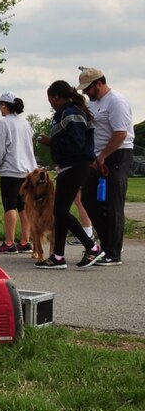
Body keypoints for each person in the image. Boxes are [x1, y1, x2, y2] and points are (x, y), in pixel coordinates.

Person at [35, 80, 103, 269]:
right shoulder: (67, 112)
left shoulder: (71, 113)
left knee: (60, 212)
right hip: (69, 166)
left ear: (56, 97)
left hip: (76, 166)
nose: (51, 104)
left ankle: (92, 247)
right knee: (60, 212)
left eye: (51, 100)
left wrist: (52, 142)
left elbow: (77, 144)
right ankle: (58, 256)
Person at [79, 67, 135, 267]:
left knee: (113, 203)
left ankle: (113, 252)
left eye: (88, 89)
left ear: (99, 84)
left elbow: (120, 134)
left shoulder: (116, 101)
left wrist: (103, 156)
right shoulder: (94, 104)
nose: (85, 93)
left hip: (117, 153)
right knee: (88, 199)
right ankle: (106, 243)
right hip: (98, 157)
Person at [0, 92, 37, 255]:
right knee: (23, 206)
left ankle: (9, 242)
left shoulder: (3, 124)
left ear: (4, 105)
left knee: (9, 205)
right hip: (28, 170)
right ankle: (25, 241)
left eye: (0, 106)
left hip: (11, 170)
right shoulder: (25, 123)